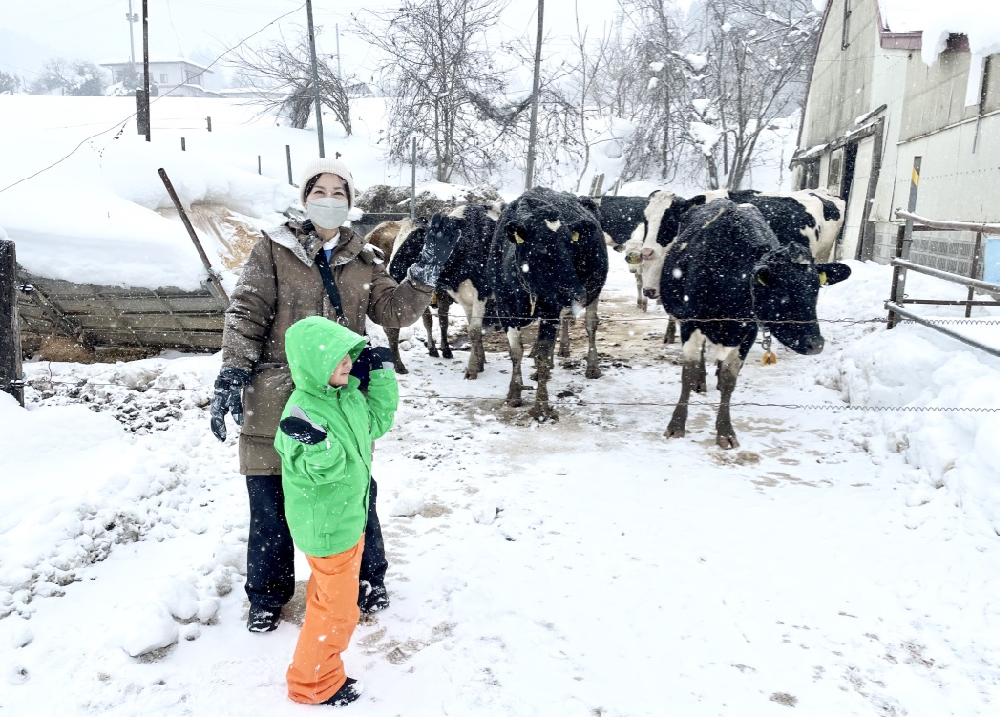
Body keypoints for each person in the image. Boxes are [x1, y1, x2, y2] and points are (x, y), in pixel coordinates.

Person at [210, 157, 460, 632]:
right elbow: (246, 313)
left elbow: (394, 309)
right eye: (319, 191)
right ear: (304, 198)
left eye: (339, 192)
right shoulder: (271, 252)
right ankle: (267, 595)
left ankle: (368, 579)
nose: (329, 200)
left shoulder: (365, 258)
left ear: (350, 201)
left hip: (343, 399)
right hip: (274, 397)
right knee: (270, 501)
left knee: (353, 494)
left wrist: (425, 271)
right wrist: (232, 371)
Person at [275, 315, 398, 707]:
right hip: (327, 526)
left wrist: (381, 375)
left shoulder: (347, 397)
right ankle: (313, 685)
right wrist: (317, 445)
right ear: (312, 364)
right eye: (336, 358)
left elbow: (376, 423)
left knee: (329, 599)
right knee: (339, 613)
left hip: (347, 518)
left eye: (349, 355)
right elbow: (319, 471)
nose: (347, 363)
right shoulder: (301, 413)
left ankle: (315, 673)